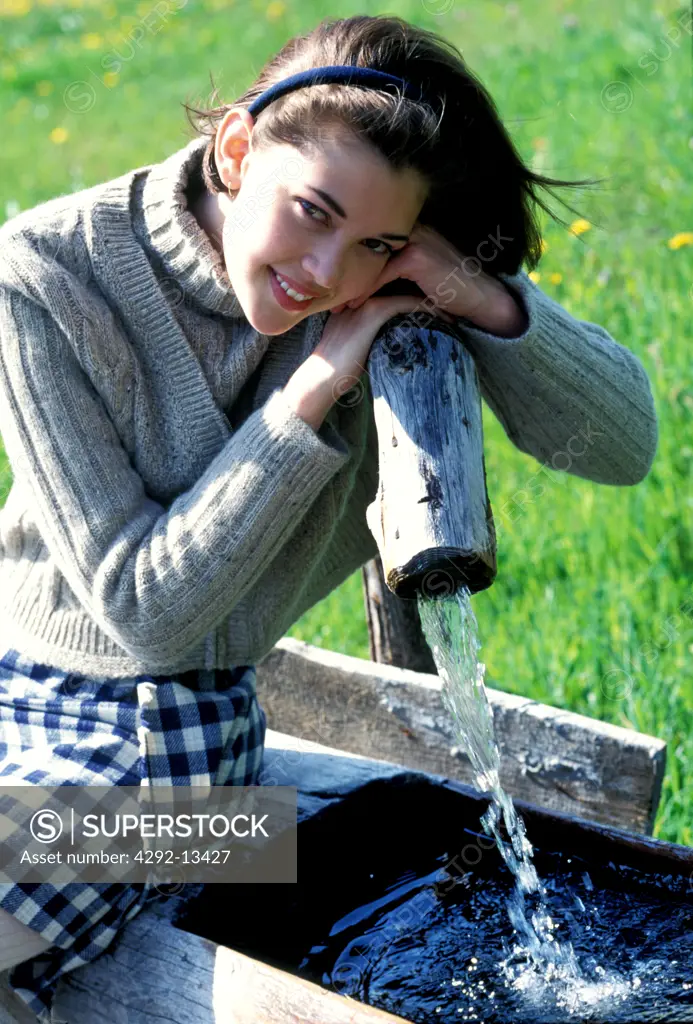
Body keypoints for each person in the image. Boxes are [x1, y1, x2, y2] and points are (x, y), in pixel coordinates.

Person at [0, 12, 657, 1021]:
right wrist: (308, 390)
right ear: (235, 149)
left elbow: (623, 447)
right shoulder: (46, 274)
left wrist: (470, 290)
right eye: (310, 209)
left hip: (170, 772)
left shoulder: (379, 293)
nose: (328, 273)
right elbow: (136, 591)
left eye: (377, 244)